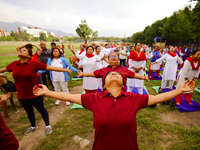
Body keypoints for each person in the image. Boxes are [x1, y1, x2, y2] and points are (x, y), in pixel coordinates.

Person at [33, 71, 195, 150]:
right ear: (103, 85)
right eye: (109, 74)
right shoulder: (93, 99)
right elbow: (67, 96)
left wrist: (179, 90)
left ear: (123, 84)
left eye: (117, 74)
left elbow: (157, 99)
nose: (113, 74)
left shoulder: (133, 98)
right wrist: (47, 92)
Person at [0, 44, 72, 135]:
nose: (21, 50)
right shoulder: (14, 64)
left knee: (41, 110)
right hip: (22, 95)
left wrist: (65, 70)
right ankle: (33, 126)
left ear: (29, 55)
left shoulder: (34, 64)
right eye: (20, 50)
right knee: (29, 112)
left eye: (24, 50)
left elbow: (50, 67)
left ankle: (48, 125)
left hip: (35, 93)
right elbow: (2, 70)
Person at [78, 52, 149, 92]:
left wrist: (144, 77)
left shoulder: (123, 69)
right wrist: (83, 74)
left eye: (116, 57)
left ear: (118, 60)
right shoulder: (104, 70)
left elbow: (134, 75)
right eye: (111, 57)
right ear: (108, 60)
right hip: (106, 96)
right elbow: (92, 74)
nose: (114, 58)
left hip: (121, 96)